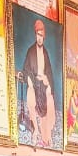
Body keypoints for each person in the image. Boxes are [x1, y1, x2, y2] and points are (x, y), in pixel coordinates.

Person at [20, 18, 57, 148]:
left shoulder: (45, 53)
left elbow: (49, 74)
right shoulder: (31, 51)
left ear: (44, 36)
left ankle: (48, 135)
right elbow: (26, 69)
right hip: (34, 85)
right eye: (38, 35)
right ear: (35, 35)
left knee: (50, 100)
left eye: (41, 35)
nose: (39, 38)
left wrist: (47, 83)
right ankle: (35, 129)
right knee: (30, 96)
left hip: (43, 85)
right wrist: (30, 81)